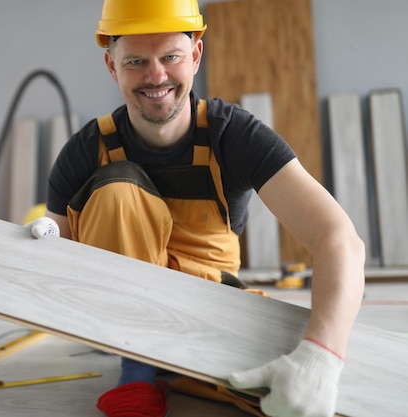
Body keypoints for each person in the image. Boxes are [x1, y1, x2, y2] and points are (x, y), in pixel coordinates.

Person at [30, 0, 365, 416]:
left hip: (212, 305)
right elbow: (52, 269)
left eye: (170, 56)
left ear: (196, 55)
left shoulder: (235, 136)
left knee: (287, 397)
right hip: (123, 321)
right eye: (135, 61)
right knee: (116, 189)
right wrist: (40, 246)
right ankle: (137, 368)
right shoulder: (85, 151)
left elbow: (339, 239)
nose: (156, 76)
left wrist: (320, 357)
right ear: (111, 66)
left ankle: (170, 366)